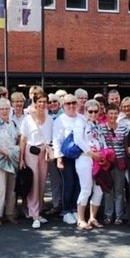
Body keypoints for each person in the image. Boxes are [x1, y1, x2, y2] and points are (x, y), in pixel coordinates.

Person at [19, 91, 54, 229]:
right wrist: (21, 158)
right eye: (39, 101)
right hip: (31, 152)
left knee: (42, 183)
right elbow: (23, 140)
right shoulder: (27, 119)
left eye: (44, 101)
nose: (42, 104)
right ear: (34, 102)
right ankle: (34, 214)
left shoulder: (50, 120)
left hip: (44, 152)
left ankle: (38, 212)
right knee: (33, 183)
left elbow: (51, 139)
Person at [73, 99, 108, 230]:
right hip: (85, 159)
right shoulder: (80, 122)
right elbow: (78, 140)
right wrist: (91, 153)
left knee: (99, 190)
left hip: (98, 159)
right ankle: (80, 219)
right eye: (90, 111)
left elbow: (103, 141)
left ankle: (93, 217)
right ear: (86, 111)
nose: (93, 114)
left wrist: (104, 156)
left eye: (96, 111)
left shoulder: (98, 124)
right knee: (86, 189)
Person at [0, 98, 20, 226]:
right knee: (0, 188)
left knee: (11, 189)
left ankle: (9, 213)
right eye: (2, 108)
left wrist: (13, 152)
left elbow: (18, 140)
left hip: (12, 160)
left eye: (7, 108)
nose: (4, 111)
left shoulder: (14, 124)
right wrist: (4, 152)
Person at [53, 94, 82, 224]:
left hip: (80, 157)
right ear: (63, 106)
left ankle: (75, 209)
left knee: (78, 184)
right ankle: (66, 211)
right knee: (68, 184)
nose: (71, 106)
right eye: (68, 103)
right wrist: (58, 158)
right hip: (65, 157)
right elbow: (56, 140)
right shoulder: (60, 120)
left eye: (73, 103)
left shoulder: (82, 118)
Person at [101, 104, 128, 225]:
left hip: (120, 162)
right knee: (108, 190)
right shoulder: (101, 128)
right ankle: (108, 214)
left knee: (119, 190)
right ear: (106, 114)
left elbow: (126, 146)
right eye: (110, 113)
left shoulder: (124, 128)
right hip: (107, 163)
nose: (113, 116)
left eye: (115, 113)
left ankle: (119, 215)